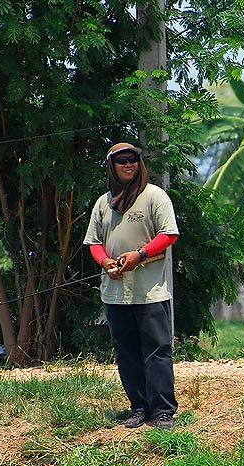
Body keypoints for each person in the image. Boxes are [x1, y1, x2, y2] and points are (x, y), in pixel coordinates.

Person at [84, 142, 180, 429]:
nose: (129, 165)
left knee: (157, 351)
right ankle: (138, 408)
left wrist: (140, 255)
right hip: (115, 294)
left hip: (150, 292)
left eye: (134, 160)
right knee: (126, 353)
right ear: (111, 166)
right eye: (122, 161)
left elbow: (169, 235)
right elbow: (94, 243)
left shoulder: (154, 196)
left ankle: (163, 411)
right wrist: (105, 263)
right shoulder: (104, 202)